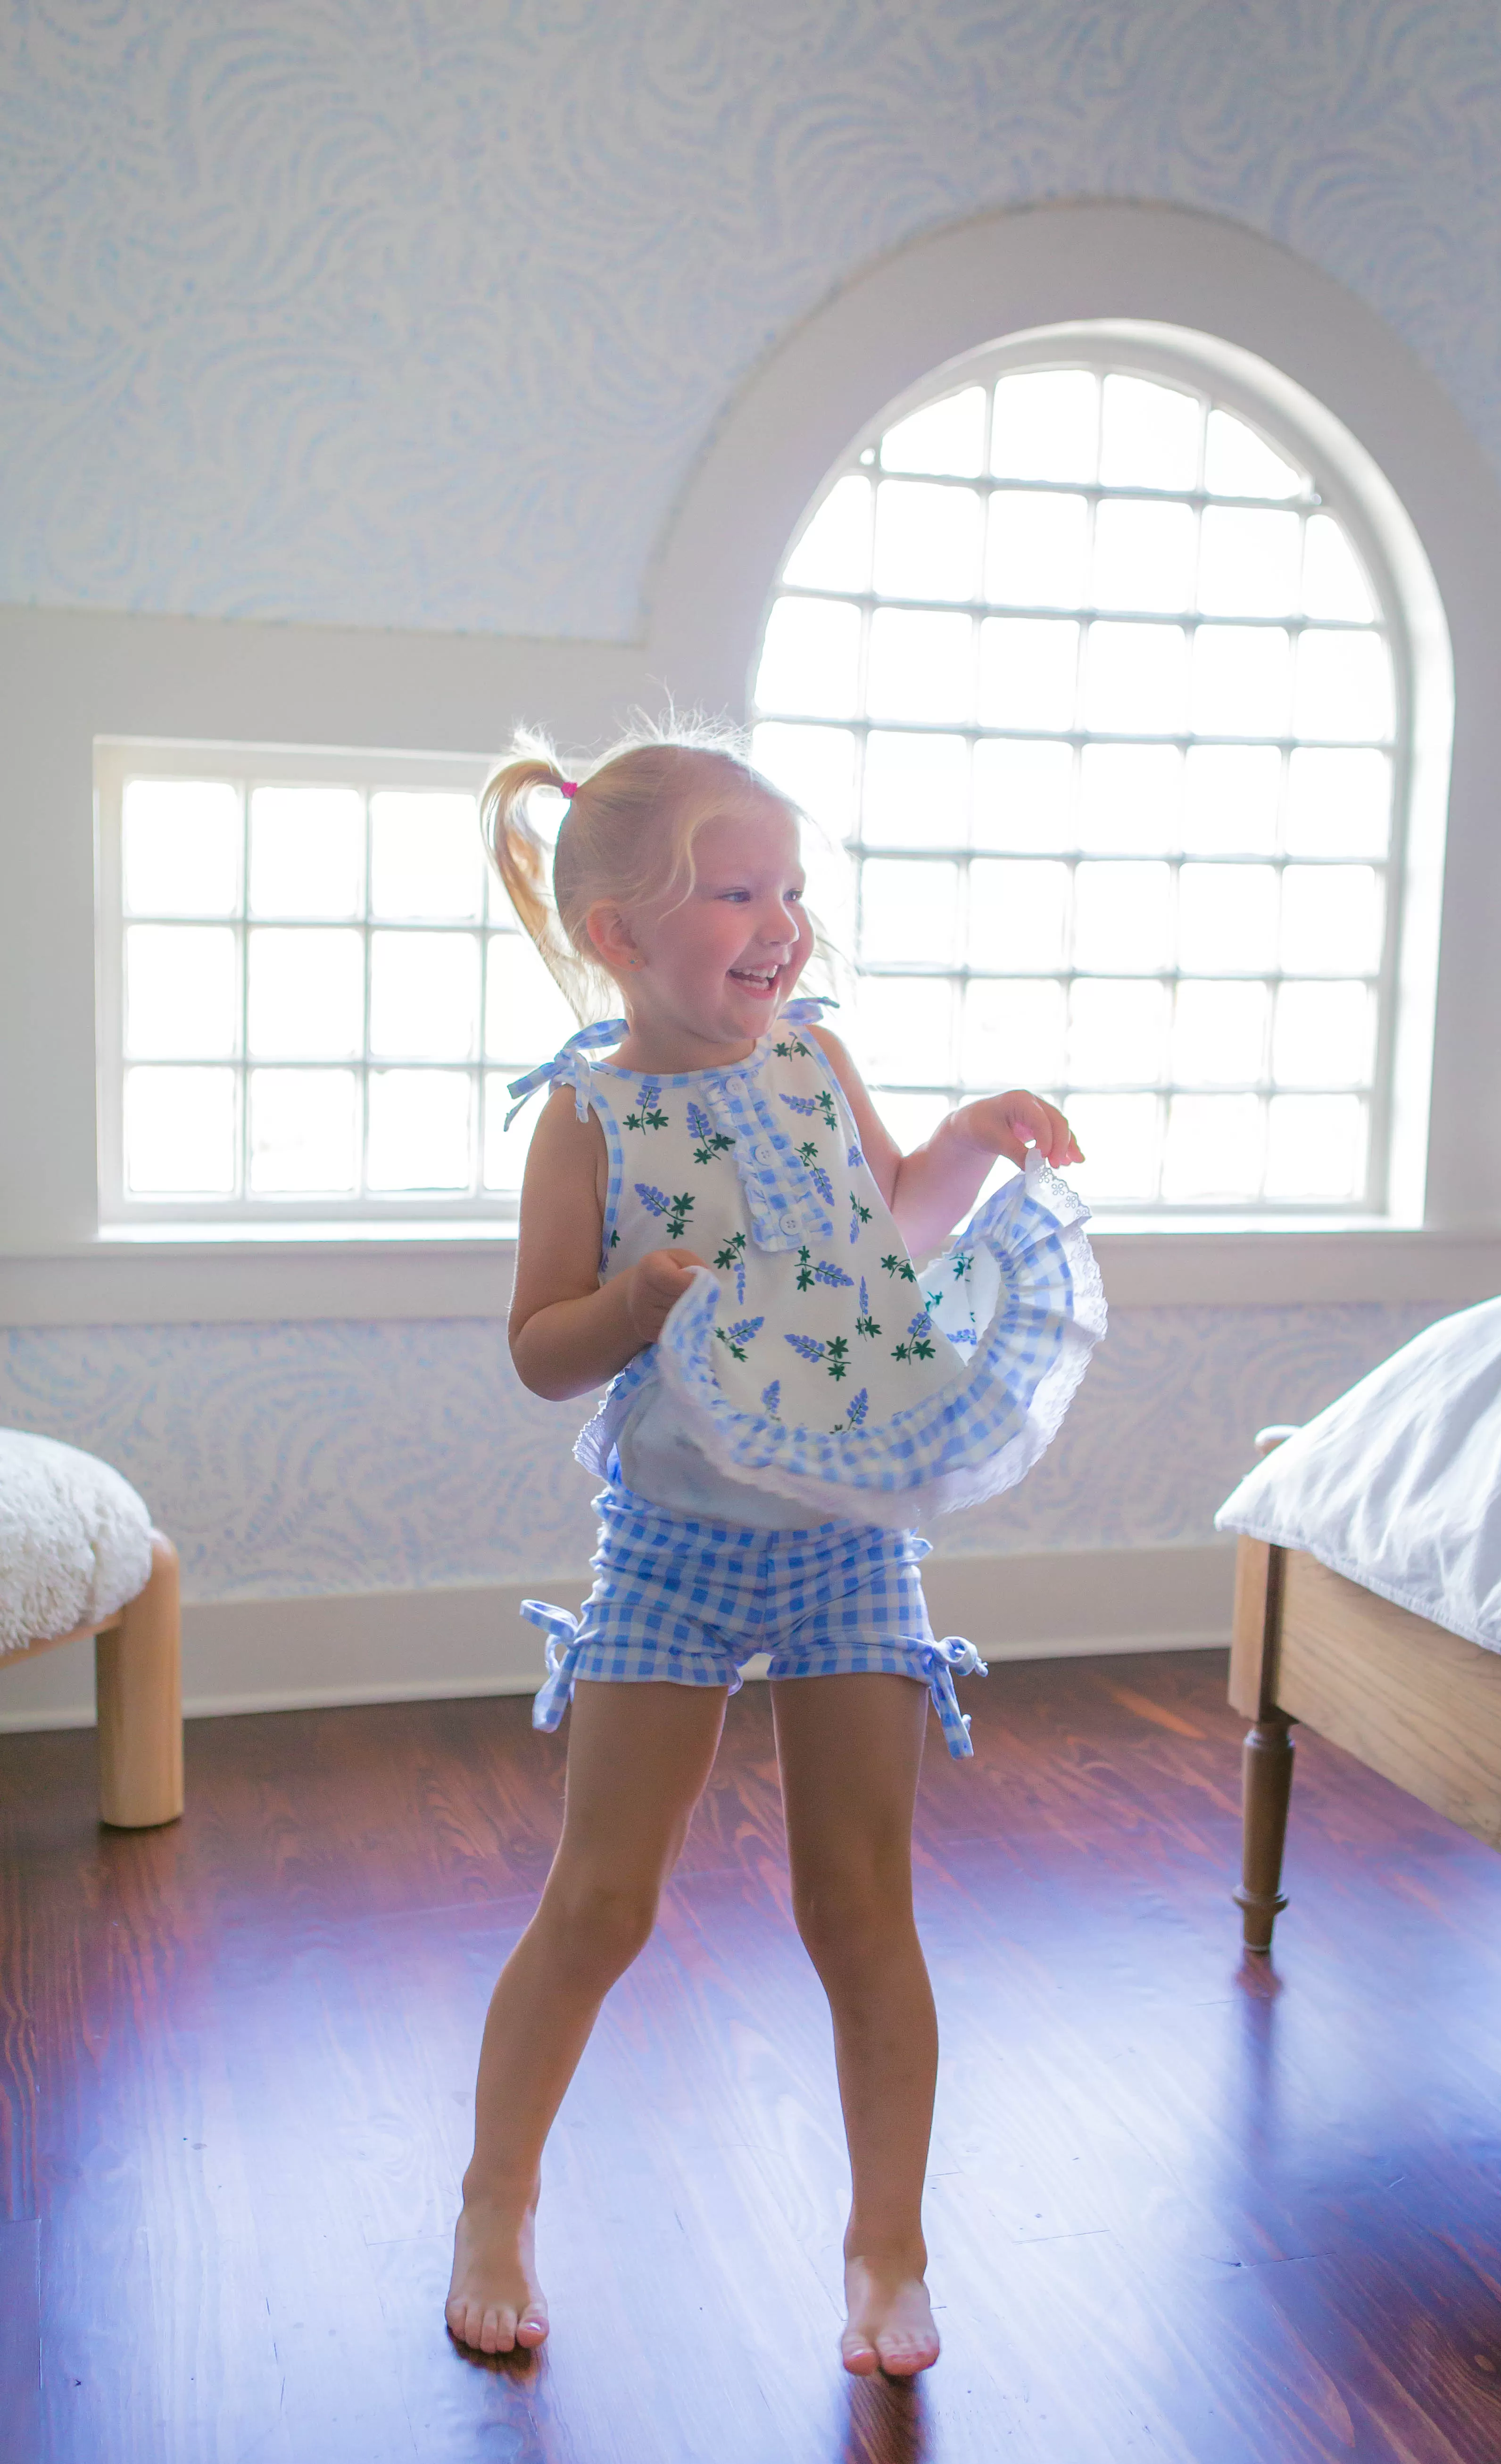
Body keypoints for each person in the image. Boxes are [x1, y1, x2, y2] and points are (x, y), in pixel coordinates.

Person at [445, 726, 1104, 2374]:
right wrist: (634, 1300)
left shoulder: (811, 1060)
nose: (782, 919)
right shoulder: (589, 1120)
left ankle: (888, 2251)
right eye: (737, 890)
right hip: (669, 1543)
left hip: (846, 1530)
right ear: (621, 937)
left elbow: (891, 1223)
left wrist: (970, 1136)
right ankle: (495, 2200)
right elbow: (540, 1350)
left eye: (792, 888)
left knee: (861, 1902)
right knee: (601, 1901)